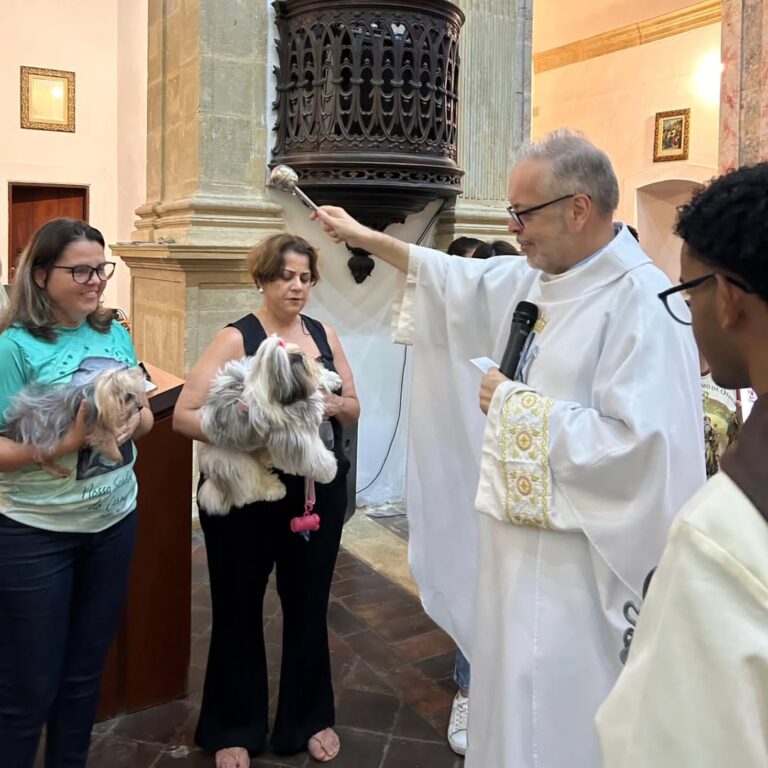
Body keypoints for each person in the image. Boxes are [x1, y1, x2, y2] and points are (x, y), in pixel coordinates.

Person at [312, 129, 705, 768]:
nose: (513, 228)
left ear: (578, 209)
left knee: (558, 721)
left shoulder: (639, 304)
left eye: (524, 213)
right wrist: (362, 236)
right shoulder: (545, 277)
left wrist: (517, 408)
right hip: (516, 557)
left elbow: (644, 451)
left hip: (580, 573)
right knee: (509, 700)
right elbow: (459, 279)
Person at [596, 163, 768, 767]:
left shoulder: (723, 534)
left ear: (726, 300)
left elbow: (667, 744)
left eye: (686, 291)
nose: (685, 312)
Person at [173, 233, 360, 767]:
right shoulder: (238, 337)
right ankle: (234, 724)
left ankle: (308, 717)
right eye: (285, 276)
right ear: (262, 279)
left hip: (312, 493)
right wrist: (249, 424)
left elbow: (354, 405)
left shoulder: (324, 335)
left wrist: (329, 404)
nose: (296, 286)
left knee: (308, 606)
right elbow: (186, 415)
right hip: (247, 496)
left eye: (304, 277)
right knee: (235, 606)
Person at [0, 218, 154, 768]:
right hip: (35, 534)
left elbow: (143, 414)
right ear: (41, 276)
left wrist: (132, 423)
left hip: (113, 522)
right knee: (28, 688)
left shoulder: (113, 331)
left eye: (102, 268)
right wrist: (68, 442)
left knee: (84, 676)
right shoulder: (14, 346)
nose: (97, 281)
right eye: (81, 270)